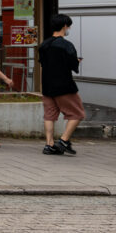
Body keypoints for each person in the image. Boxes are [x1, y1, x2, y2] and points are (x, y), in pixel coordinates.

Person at [39, 14, 84, 155]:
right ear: (65, 26)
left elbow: (43, 63)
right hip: (64, 85)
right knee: (77, 113)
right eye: (69, 26)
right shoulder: (66, 45)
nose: (69, 28)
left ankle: (49, 145)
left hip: (47, 85)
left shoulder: (44, 45)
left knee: (49, 115)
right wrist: (77, 61)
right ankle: (64, 141)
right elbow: (72, 65)